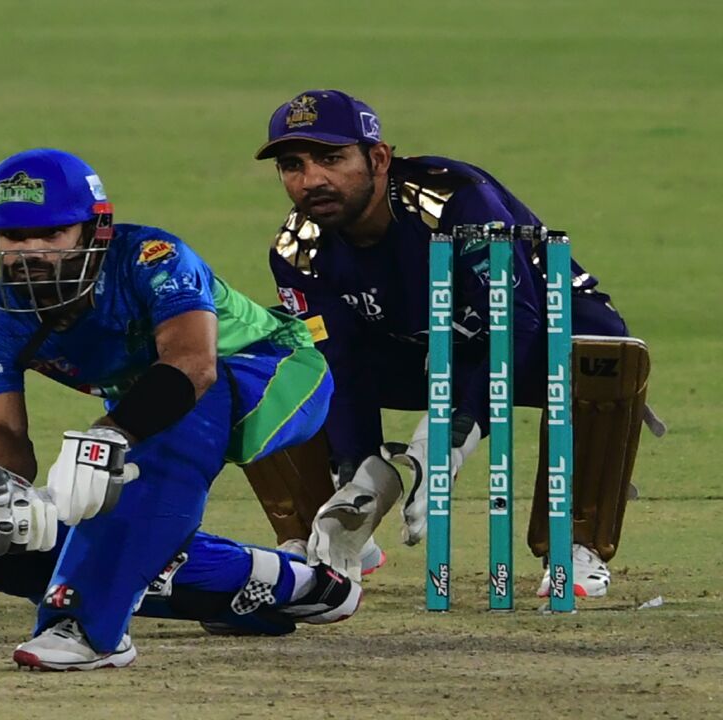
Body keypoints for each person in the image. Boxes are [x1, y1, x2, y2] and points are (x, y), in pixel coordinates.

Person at [0, 148, 361, 671]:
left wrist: (107, 437)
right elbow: (0, 426)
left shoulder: (152, 257)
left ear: (95, 230)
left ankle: (91, 629)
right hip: (151, 409)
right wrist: (8, 492)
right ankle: (281, 583)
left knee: (146, 445)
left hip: (275, 373)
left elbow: (193, 366)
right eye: (14, 237)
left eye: (52, 234)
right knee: (11, 555)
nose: (31, 251)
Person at [252, 89, 659, 599]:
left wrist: (453, 433)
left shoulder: (455, 201)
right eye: (293, 165)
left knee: (606, 355)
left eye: (332, 159)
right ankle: (323, 537)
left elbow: (517, 321)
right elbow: (336, 359)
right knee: (264, 362)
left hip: (532, 336)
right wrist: (360, 474)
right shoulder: (298, 249)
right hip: (414, 351)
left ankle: (576, 546)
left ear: (378, 157)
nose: (311, 180)